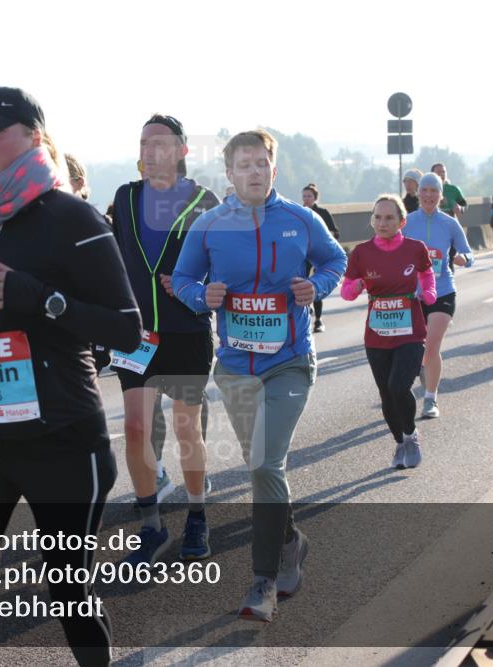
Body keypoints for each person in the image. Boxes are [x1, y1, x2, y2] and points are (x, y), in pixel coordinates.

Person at [0, 86, 142, 666]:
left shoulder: (73, 217)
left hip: (60, 439)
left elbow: (127, 328)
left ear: (35, 137)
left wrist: (42, 299)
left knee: (70, 591)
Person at [173, 129, 347, 622]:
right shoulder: (209, 224)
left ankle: (262, 581)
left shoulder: (300, 219)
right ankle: (291, 541)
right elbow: (185, 279)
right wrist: (199, 297)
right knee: (262, 466)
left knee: (265, 466)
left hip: (290, 361)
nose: (253, 172)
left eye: (261, 163)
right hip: (234, 369)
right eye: (243, 164)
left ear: (274, 169)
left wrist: (316, 285)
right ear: (228, 174)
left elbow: (336, 260)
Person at [109, 113, 220, 564]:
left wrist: (197, 287)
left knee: (185, 426)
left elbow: (224, 262)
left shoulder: (204, 200)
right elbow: (110, 259)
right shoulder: (126, 196)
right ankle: (151, 526)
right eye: (143, 143)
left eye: (159, 143)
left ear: (181, 152)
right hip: (135, 333)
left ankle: (196, 514)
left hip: (186, 331)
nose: (149, 150)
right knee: (135, 427)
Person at [341, 195, 436, 468]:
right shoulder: (361, 252)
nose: (382, 223)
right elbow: (347, 291)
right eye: (377, 217)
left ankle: (412, 435)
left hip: (411, 333)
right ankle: (400, 442)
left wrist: (427, 292)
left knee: (398, 387)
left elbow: (427, 276)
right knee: (386, 394)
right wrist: (356, 285)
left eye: (389, 218)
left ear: (402, 221)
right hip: (377, 335)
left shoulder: (415, 248)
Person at [404, 173, 474, 419]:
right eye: (425, 190)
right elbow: (389, 247)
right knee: (414, 350)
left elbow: (468, 253)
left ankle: (430, 400)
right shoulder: (407, 222)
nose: (429, 195)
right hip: (413, 294)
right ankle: (420, 375)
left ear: (441, 195)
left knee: (432, 346)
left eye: (434, 191)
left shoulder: (450, 223)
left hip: (443, 290)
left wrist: (463, 259)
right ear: (418, 193)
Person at [301, 183, 339, 333]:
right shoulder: (299, 213)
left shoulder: (322, 213)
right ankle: (306, 309)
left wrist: (324, 236)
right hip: (302, 254)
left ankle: (318, 320)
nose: (306, 199)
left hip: (319, 254)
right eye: (304, 196)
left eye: (309, 196)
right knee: (301, 282)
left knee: (315, 284)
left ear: (315, 198)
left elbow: (336, 233)